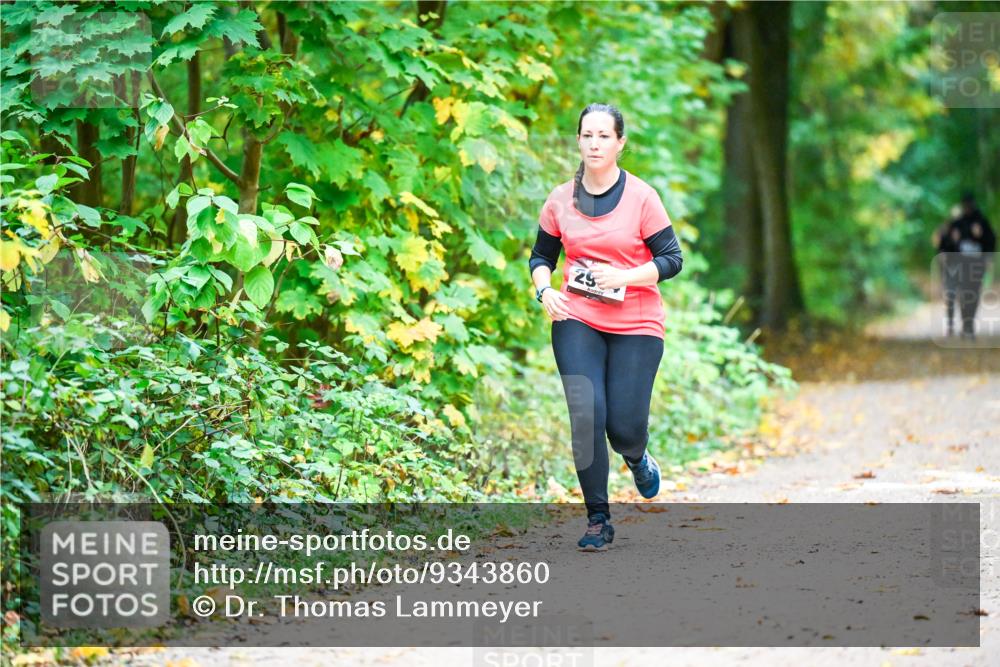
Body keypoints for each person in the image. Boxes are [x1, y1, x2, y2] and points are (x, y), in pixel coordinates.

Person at [528, 103, 683, 551]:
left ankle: (637, 457)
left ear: (620, 143)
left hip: (636, 321)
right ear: (577, 140)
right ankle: (598, 519)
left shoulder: (642, 198)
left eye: (603, 136)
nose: (594, 143)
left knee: (625, 427)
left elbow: (672, 260)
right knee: (586, 412)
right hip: (577, 316)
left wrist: (626, 277)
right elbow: (542, 257)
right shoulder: (559, 199)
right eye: (587, 135)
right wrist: (544, 291)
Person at [936, 192, 996, 339]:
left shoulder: (982, 221)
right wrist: (952, 242)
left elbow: (991, 241)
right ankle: (965, 324)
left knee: (974, 293)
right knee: (963, 294)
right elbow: (945, 244)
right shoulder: (957, 223)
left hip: (977, 264)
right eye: (965, 205)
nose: (967, 208)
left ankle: (969, 325)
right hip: (961, 264)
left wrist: (986, 252)